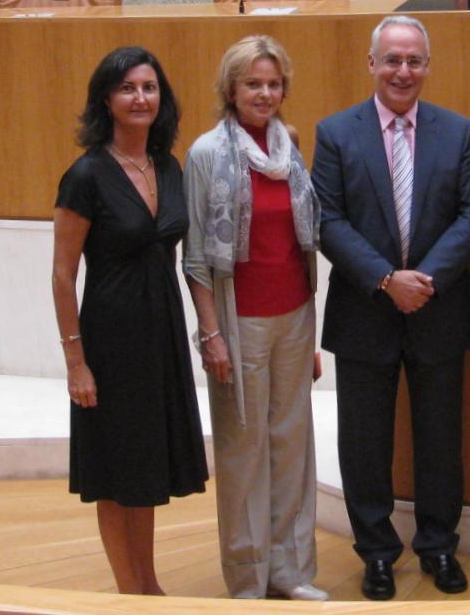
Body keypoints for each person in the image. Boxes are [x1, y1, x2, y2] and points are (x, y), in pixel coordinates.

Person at [312, 15, 470, 601]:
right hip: (365, 310)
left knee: (440, 439)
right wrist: (387, 280)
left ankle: (439, 546)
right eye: (392, 59)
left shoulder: (456, 131)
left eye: (414, 60)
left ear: (428, 67)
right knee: (365, 444)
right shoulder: (336, 133)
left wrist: (425, 279)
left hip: (437, 309)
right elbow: (327, 221)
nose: (403, 71)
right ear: (371, 64)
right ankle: (378, 553)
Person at [50, 46, 208, 595]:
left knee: (145, 466)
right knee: (116, 474)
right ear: (107, 100)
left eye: (149, 87)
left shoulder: (167, 164)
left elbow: (186, 257)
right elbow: (63, 274)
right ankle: (128, 591)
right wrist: (76, 362)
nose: (140, 97)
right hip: (110, 340)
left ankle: (149, 582)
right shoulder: (86, 175)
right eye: (127, 88)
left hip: (160, 335)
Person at [183, 36, 327, 601]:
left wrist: (310, 335)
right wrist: (210, 333)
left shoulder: (289, 144)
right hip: (238, 322)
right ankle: (248, 577)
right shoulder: (206, 153)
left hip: (294, 314)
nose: (264, 93)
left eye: (273, 83)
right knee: (245, 451)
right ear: (231, 89)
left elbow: (299, 240)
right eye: (253, 84)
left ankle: (291, 572)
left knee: (292, 443)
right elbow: (195, 256)